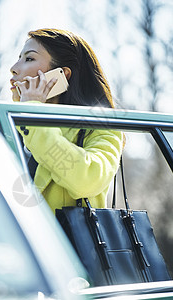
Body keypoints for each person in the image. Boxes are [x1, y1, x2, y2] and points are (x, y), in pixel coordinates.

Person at [9, 28, 123, 212]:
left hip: (66, 240)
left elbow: (87, 180)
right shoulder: (9, 125)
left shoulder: (102, 128)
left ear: (61, 75)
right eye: (19, 57)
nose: (14, 67)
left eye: (29, 58)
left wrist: (33, 114)